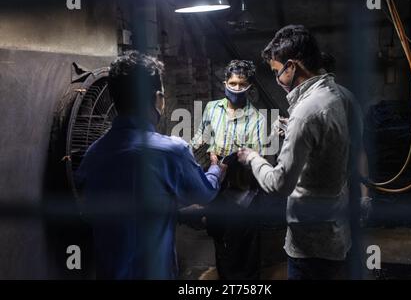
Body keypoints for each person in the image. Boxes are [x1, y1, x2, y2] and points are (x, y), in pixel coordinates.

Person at [75, 51, 226, 279]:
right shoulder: (171, 151)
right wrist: (217, 169)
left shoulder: (92, 155)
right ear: (158, 98)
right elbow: (205, 193)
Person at [237, 25, 365, 280]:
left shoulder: (306, 112)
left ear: (292, 66)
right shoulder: (339, 97)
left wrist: (253, 158)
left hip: (311, 244)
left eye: (277, 72)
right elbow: (341, 151)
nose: (277, 80)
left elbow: (279, 184)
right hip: (336, 230)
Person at [191, 60, 266, 279]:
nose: (236, 88)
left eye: (242, 84)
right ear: (225, 82)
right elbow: (201, 137)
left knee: (246, 249)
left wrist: (230, 160)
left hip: (245, 191)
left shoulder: (258, 119)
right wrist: (186, 150)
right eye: (232, 83)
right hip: (218, 187)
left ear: (250, 86)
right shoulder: (212, 108)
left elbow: (256, 158)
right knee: (221, 242)